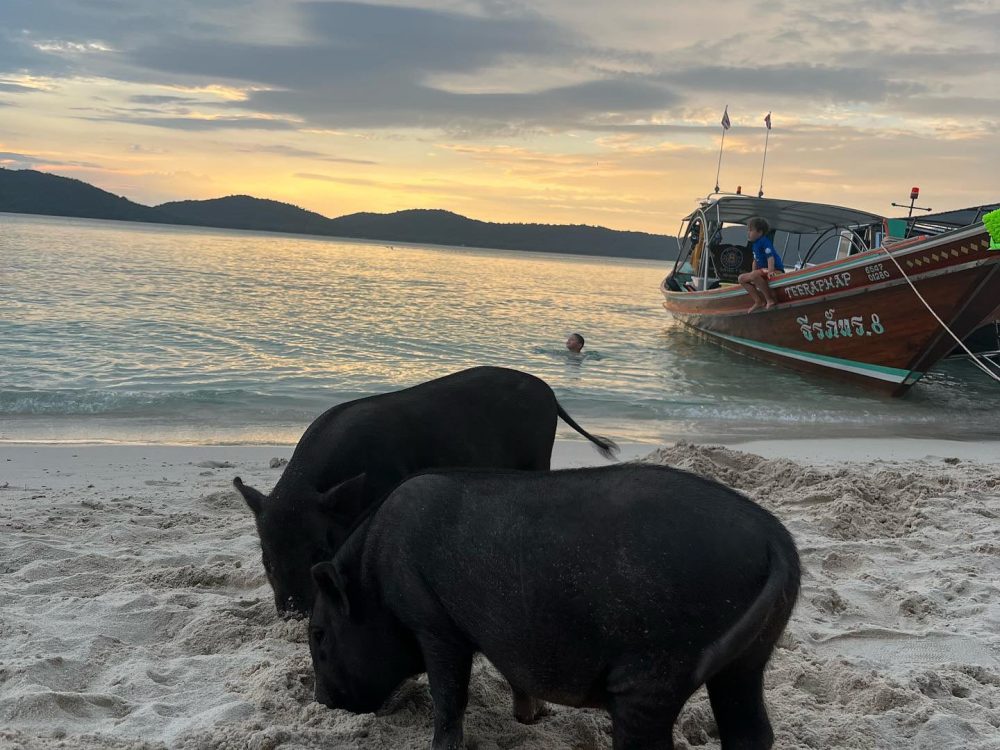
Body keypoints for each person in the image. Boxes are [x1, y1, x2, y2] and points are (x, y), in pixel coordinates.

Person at [738, 217, 784, 312]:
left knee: (754, 275)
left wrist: (771, 271)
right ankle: (758, 301)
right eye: (748, 230)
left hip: (775, 269)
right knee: (741, 278)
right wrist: (752, 273)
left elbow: (770, 257)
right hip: (762, 270)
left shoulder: (765, 242)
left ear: (759, 232)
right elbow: (755, 260)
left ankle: (769, 299)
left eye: (751, 230)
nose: (748, 233)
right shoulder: (754, 244)